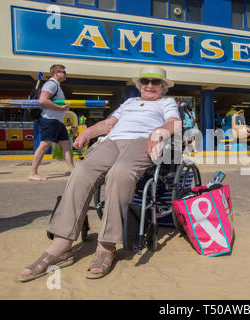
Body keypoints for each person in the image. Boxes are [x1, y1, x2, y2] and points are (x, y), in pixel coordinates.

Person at [20, 66, 180, 282]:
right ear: (139, 85)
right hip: (114, 141)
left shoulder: (166, 103)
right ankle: (61, 244)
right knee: (81, 171)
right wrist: (88, 131)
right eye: (145, 81)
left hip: (143, 141)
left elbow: (174, 123)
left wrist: (158, 132)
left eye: (155, 82)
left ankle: (106, 246)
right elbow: (109, 124)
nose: (150, 85)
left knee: (120, 173)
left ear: (163, 87)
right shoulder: (129, 103)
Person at [28, 64, 74, 181]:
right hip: (50, 119)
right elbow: (43, 100)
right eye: (63, 72)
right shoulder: (51, 84)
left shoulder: (56, 86)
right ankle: (33, 173)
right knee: (44, 145)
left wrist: (62, 108)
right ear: (56, 73)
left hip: (57, 121)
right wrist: (61, 108)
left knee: (66, 145)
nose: (65, 74)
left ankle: (73, 171)